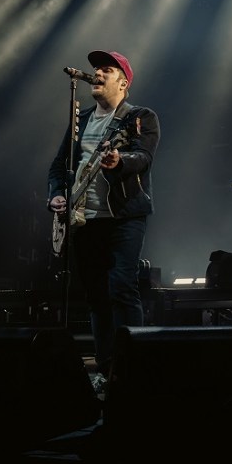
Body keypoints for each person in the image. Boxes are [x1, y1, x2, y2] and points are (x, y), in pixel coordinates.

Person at [47, 50, 160, 394]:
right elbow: (58, 167)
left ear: (123, 83)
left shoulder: (139, 117)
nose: (97, 73)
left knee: (121, 288)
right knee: (96, 296)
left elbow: (143, 156)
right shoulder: (79, 120)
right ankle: (106, 367)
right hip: (85, 220)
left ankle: (133, 367)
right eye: (96, 69)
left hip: (124, 217)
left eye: (106, 70)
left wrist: (119, 160)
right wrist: (56, 195)